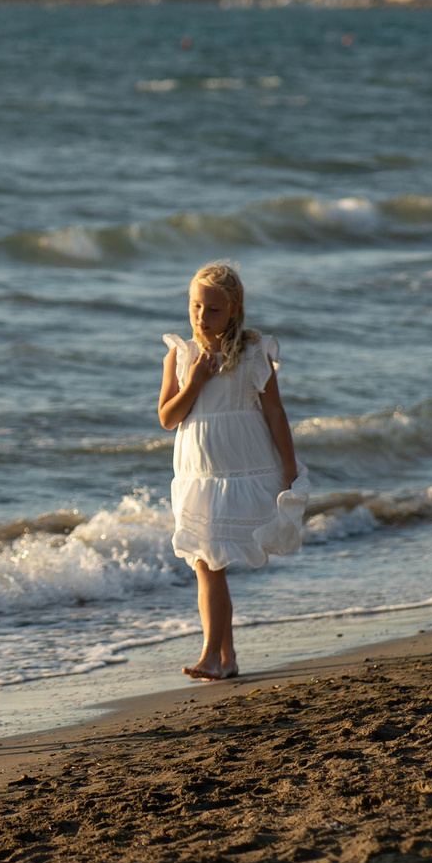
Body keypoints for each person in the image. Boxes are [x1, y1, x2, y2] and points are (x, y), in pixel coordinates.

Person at [157, 262, 306, 682]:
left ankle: (213, 655)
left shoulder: (254, 354)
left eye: (213, 310)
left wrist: (289, 468)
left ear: (234, 309)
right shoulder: (181, 356)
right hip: (198, 474)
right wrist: (196, 381)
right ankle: (226, 656)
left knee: (210, 563)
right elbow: (168, 418)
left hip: (241, 470)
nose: (202, 318)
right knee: (208, 562)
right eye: (195, 307)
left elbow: (275, 414)